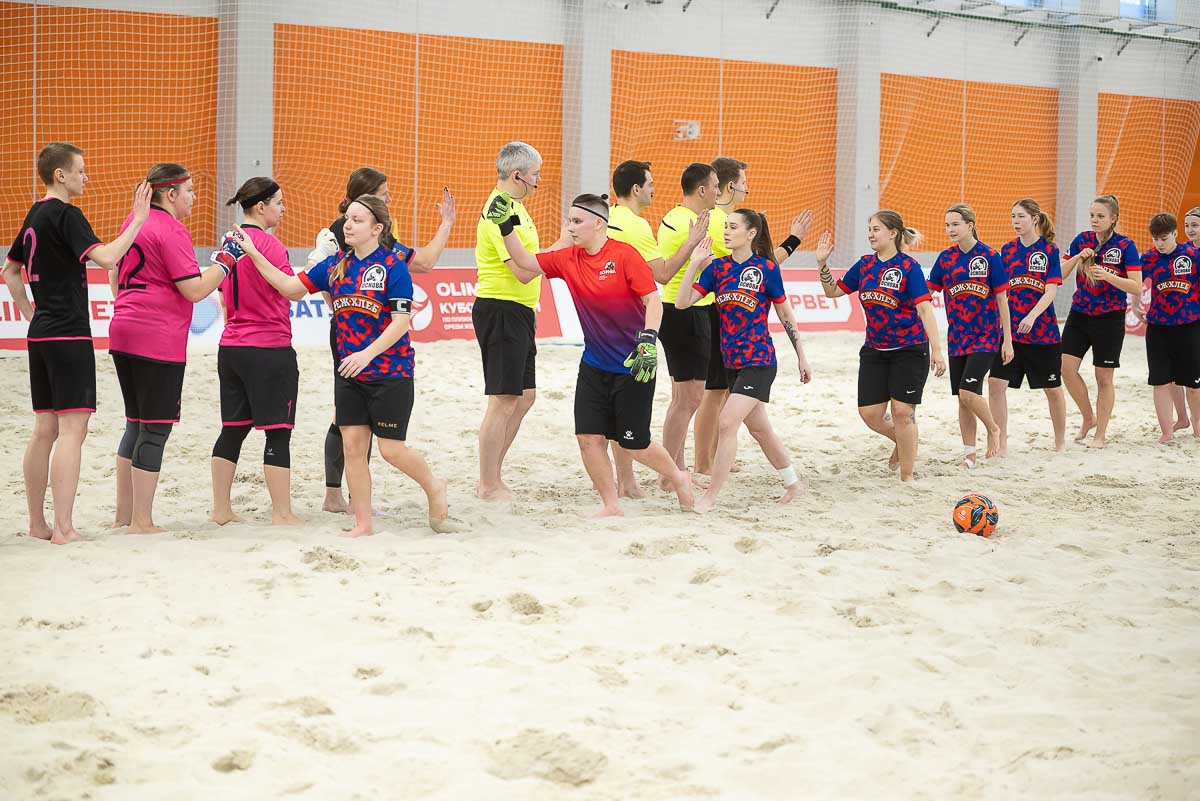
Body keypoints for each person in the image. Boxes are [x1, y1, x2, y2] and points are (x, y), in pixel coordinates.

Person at [241, 194, 449, 535]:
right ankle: (363, 524)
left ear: (377, 229)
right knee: (353, 447)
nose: (347, 225)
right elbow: (291, 288)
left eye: (357, 220)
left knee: (391, 450)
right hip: (350, 373)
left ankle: (434, 486)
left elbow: (401, 322)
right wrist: (253, 252)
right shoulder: (334, 265)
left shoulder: (393, 266)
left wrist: (367, 354)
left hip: (390, 371)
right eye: (347, 219)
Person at [485, 191, 695, 516]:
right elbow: (525, 262)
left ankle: (678, 478)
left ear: (598, 224)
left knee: (634, 443)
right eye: (569, 220)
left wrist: (648, 340)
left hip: (634, 363)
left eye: (577, 221)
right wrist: (505, 226)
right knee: (587, 438)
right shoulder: (567, 258)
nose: (570, 227)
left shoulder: (625, 256)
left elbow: (653, 300)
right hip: (594, 365)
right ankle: (611, 504)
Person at [1, 142, 151, 543]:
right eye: (81, 171)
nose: (86, 177)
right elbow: (108, 258)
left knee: (44, 429)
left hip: (41, 333)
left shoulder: (34, 214)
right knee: (72, 430)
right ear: (60, 175)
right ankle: (64, 528)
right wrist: (138, 219)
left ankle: (38, 524)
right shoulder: (66, 214)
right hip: (68, 333)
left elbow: (10, 271)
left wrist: (30, 312)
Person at [308, 168, 455, 513]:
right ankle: (338, 495)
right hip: (351, 334)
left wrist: (447, 223)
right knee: (348, 422)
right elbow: (320, 281)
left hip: (372, 336)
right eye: (384, 193)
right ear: (367, 197)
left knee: (359, 427)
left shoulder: (379, 242)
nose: (390, 199)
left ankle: (343, 497)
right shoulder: (347, 233)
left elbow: (424, 264)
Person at [108, 163, 229, 533]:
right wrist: (226, 262)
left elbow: (113, 273)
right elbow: (194, 290)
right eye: (189, 190)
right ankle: (142, 521)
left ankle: (124, 516)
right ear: (171, 194)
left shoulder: (134, 220)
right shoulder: (172, 229)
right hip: (156, 338)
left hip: (124, 329)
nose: (194, 197)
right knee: (156, 428)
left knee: (135, 423)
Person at [674, 208, 812, 513]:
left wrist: (801, 356)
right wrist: (694, 262)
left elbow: (785, 314)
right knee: (760, 430)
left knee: (727, 422)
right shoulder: (717, 268)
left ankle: (710, 497)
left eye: (733, 227)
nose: (726, 231)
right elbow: (682, 303)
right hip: (732, 363)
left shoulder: (766, 268)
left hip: (760, 360)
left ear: (751, 234)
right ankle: (793, 484)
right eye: (726, 226)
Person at [695, 157, 812, 474]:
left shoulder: (729, 220)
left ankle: (719, 457)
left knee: (733, 405)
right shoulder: (722, 222)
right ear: (731, 186)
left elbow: (759, 269)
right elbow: (756, 268)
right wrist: (793, 240)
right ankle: (705, 462)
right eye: (744, 183)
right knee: (713, 394)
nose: (747, 188)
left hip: (732, 320)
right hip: (718, 315)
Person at [814, 211, 946, 482]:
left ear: (893, 233)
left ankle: (907, 477)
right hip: (875, 350)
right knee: (870, 415)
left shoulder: (908, 267)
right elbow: (832, 291)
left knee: (902, 413)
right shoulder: (864, 265)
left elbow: (924, 309)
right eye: (869, 229)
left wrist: (937, 349)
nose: (871, 234)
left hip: (909, 349)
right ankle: (903, 439)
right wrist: (821, 263)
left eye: (876, 229)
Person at [606, 159, 706, 498]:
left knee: (614, 401)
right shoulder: (635, 225)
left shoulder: (609, 217)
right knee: (630, 404)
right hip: (631, 319)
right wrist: (691, 245)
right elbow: (662, 274)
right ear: (635, 189)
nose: (654, 188)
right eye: (650, 183)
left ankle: (626, 481)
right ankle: (640, 480)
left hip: (605, 317)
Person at [208, 177, 302, 526]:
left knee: (232, 430)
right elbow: (293, 290)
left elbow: (221, 295)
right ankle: (282, 513)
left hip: (232, 347)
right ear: (261, 207)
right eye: (279, 202)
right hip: (269, 348)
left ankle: (221, 510)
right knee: (278, 431)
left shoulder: (228, 242)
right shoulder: (270, 245)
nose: (284, 208)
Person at [473, 142, 558, 502]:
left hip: (519, 309)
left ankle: (494, 473)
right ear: (518, 175)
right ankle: (487, 482)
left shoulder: (517, 207)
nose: (539, 180)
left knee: (524, 398)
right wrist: (561, 252)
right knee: (503, 399)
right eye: (536, 174)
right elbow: (523, 271)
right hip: (501, 307)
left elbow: (531, 262)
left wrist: (560, 247)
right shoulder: (499, 210)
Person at [926, 204, 1012, 468]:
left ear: (970, 226)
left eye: (955, 224)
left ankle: (993, 428)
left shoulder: (990, 256)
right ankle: (969, 455)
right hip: (957, 339)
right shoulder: (945, 259)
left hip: (985, 337)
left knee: (967, 391)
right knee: (963, 400)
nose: (950, 229)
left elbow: (1002, 300)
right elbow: (927, 293)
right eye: (947, 225)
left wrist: (1007, 340)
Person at [1061, 194, 1142, 449]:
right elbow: (1058, 275)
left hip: (1109, 318)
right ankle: (1088, 417)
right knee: (1066, 369)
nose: (1094, 220)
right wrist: (1077, 258)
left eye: (1100, 216)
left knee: (1104, 378)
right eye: (1092, 215)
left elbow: (1136, 287)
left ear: (1113, 218)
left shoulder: (1126, 246)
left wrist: (1108, 276)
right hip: (1079, 313)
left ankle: (1100, 435)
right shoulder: (1082, 240)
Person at [989, 198, 1068, 453]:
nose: (1016, 221)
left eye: (1021, 216)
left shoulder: (1049, 250)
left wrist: (1032, 316)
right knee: (996, 384)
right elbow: (1001, 292)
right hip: (1011, 333)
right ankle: (1001, 443)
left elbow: (1051, 291)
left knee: (1052, 389)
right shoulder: (1007, 250)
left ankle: (1060, 443)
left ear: (1035, 219)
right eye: (1013, 216)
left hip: (1043, 333)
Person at [656, 163, 719, 482]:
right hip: (686, 312)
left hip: (682, 311)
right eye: (716, 186)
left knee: (682, 398)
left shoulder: (677, 216)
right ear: (702, 190)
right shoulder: (690, 224)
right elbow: (711, 267)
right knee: (689, 398)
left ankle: (676, 467)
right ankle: (668, 473)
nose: (719, 192)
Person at [1135, 213, 1200, 442]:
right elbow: (1135, 282)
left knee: (1193, 384)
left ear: (1175, 234)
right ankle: (1167, 431)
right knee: (1161, 380)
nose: (1159, 244)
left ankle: (1196, 425)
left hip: (1189, 326)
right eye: (1155, 239)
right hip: (1158, 327)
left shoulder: (1192, 255)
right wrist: (1134, 304)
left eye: (1164, 238)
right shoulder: (1148, 258)